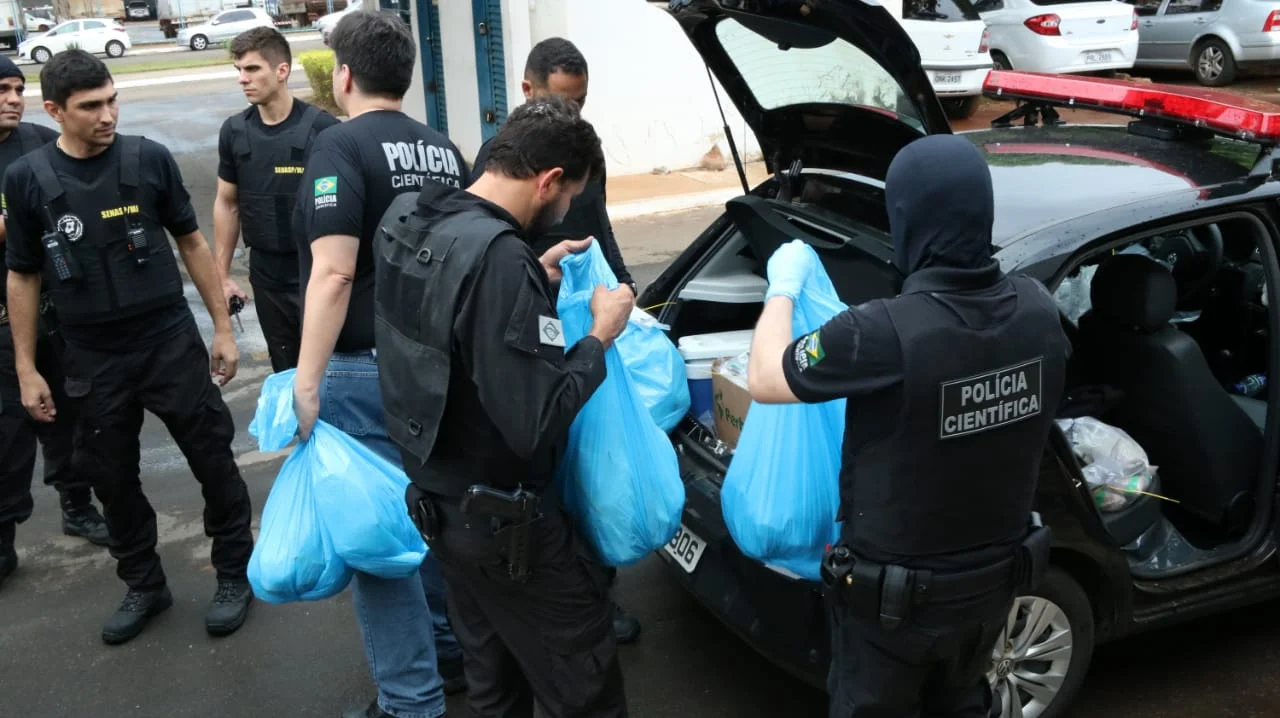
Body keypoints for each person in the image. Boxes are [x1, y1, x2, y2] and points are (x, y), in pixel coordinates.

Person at [745, 134, 1068, 717]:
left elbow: (767, 377)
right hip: (992, 591)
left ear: (905, 218)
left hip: (891, 615)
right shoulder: (1040, 310)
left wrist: (782, 290)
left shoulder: (879, 334)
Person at [377, 94, 634, 718]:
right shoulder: (498, 258)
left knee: (494, 683)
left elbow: (449, 332)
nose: (571, 209)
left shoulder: (413, 213)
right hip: (507, 530)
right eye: (571, 194)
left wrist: (531, 285)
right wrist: (599, 336)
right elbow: (536, 420)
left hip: (442, 512)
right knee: (583, 680)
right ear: (548, 181)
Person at [2, 50, 255, 645]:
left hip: (166, 339)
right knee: (111, 478)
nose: (108, 114)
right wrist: (25, 367)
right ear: (55, 111)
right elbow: (22, 275)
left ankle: (234, 575)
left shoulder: (149, 159)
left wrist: (220, 328)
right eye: (91, 106)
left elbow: (192, 244)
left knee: (213, 461)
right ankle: (144, 582)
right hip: (88, 353)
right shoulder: (27, 179)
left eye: (112, 100)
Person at [289, 11, 466, 718]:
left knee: (377, 542)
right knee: (431, 520)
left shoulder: (339, 147)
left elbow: (333, 274)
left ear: (346, 77)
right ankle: (450, 652)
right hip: (440, 368)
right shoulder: (447, 151)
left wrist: (306, 381)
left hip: (365, 371)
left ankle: (409, 700)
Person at [467, 35, 642, 645]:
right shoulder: (498, 162)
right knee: (551, 460)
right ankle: (567, 592)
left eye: (582, 102)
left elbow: (600, 226)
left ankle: (600, 583)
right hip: (537, 325)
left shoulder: (582, 153)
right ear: (526, 93)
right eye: (561, 102)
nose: (573, 116)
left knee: (597, 456)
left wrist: (625, 286)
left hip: (591, 314)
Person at [0, 54, 109, 589]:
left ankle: (77, 503)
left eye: (17, 88)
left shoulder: (43, 147)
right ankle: (2, 538)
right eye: (1, 89)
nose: (12, 98)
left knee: (66, 415)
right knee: (6, 431)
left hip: (53, 313)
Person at [214, 26, 340, 373]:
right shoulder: (235, 132)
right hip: (267, 278)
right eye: (238, 70)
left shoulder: (322, 130)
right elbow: (228, 203)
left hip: (314, 276)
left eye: (252, 69)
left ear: (281, 71)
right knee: (285, 371)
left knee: (329, 371)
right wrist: (220, 276)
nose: (243, 79)